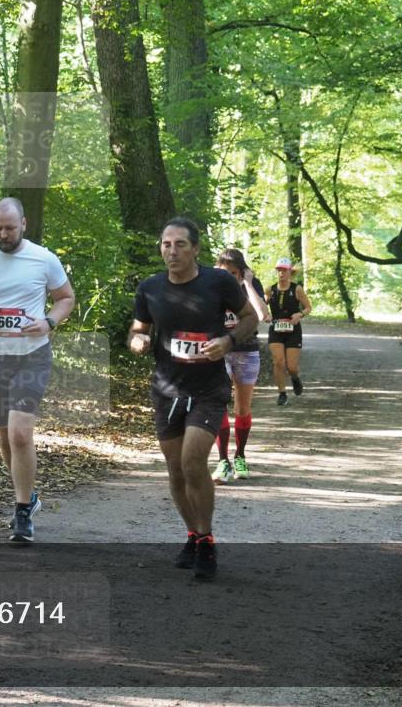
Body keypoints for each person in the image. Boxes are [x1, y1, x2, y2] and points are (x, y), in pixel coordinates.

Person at [128, 218, 258, 579]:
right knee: (174, 471)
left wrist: (228, 342)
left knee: (192, 461)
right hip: (167, 389)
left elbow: (249, 318)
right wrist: (137, 340)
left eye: (180, 244)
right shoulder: (150, 288)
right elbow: (139, 327)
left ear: (195, 249)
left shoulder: (218, 282)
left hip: (208, 389)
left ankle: (206, 541)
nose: (172, 250)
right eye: (166, 244)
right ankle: (194, 534)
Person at [0, 198, 75, 542]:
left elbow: (66, 297)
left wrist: (49, 321)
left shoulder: (43, 258)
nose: (3, 234)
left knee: (21, 433)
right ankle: (29, 496)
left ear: (23, 224)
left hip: (32, 355)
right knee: (5, 435)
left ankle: (22, 513)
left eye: (9, 227)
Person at [211, 248, 270, 484]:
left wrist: (246, 283)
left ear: (241, 272)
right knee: (217, 403)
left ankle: (240, 456)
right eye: (224, 272)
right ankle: (223, 460)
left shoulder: (251, 284)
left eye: (234, 273)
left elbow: (262, 314)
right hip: (219, 352)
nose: (229, 277)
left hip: (247, 351)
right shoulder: (210, 286)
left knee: (242, 407)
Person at [265, 258, 313, 406]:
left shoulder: (296, 289)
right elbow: (261, 305)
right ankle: (282, 393)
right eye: (279, 270)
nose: (281, 273)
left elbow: (308, 307)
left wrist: (300, 315)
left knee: (291, 366)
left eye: (284, 270)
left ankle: (295, 378)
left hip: (293, 330)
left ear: (290, 272)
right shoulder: (270, 290)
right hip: (276, 329)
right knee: (278, 361)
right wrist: (265, 315)